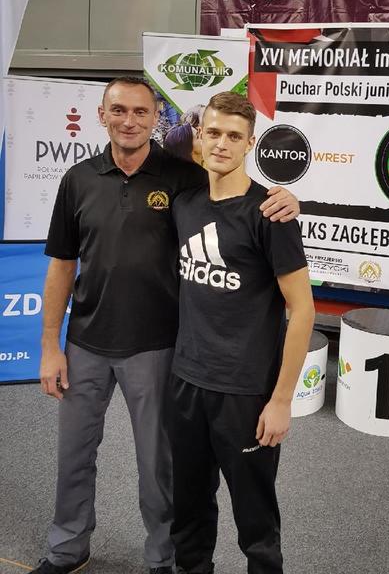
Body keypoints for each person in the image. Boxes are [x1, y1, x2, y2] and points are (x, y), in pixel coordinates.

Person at [35, 77, 299, 574]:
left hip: (158, 348)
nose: (129, 120)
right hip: (87, 342)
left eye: (141, 111)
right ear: (102, 115)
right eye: (118, 110)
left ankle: (163, 559)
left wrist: (290, 200)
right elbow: (62, 265)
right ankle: (67, 548)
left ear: (157, 119)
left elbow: (238, 196)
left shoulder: (184, 178)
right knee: (73, 456)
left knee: (162, 469)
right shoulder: (78, 179)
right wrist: (51, 344)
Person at [170, 91, 315, 574]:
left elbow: (303, 310)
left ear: (250, 144)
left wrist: (282, 400)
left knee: (255, 519)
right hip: (187, 381)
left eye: (234, 136)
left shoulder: (271, 214)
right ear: (198, 136)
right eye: (213, 133)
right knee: (189, 507)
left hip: (245, 393)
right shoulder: (185, 203)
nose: (222, 144)